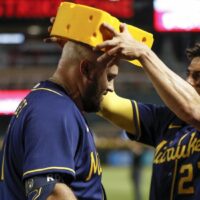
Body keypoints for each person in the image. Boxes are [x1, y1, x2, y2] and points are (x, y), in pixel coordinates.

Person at [0, 37, 119, 199]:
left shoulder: (54, 104)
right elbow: (51, 194)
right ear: (86, 70)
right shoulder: (52, 110)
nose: (111, 88)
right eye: (109, 77)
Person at [95, 23, 200, 199]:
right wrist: (102, 63)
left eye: (198, 76)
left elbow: (193, 110)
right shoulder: (165, 119)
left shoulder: (192, 112)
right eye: (188, 74)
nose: (189, 81)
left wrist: (144, 53)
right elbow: (107, 105)